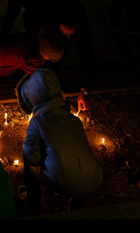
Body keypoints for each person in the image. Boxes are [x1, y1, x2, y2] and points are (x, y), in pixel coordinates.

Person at [16, 68, 103, 215]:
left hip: (61, 181)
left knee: (27, 158)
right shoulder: (75, 120)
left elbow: (33, 157)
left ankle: (33, 203)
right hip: (93, 180)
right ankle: (75, 208)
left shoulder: (37, 122)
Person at [22, 0, 95, 110]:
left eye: (71, 34)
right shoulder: (40, 18)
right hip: (38, 15)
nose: (68, 38)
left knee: (58, 52)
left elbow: (87, 53)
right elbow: (29, 23)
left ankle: (55, 71)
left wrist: (84, 90)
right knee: (50, 52)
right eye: (65, 34)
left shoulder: (80, 20)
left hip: (68, 9)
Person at [0, 29, 65, 80]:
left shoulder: (33, 40)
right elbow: (31, 80)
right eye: (49, 57)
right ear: (44, 52)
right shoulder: (33, 58)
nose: (48, 60)